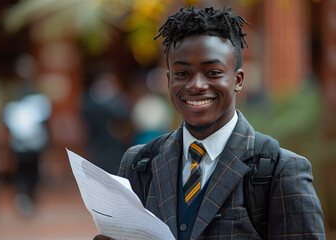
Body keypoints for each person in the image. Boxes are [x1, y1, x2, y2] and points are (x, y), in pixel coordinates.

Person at [94, 5, 325, 240]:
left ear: (238, 80)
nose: (196, 85)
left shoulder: (280, 171)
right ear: (168, 80)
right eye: (182, 74)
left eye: (213, 72)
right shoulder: (139, 164)